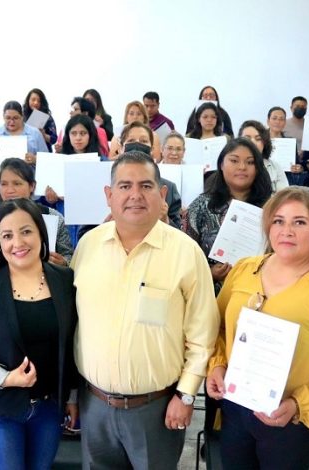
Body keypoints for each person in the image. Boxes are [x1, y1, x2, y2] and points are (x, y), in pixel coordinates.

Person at [72, 151, 219, 469]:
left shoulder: (186, 253)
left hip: (158, 408)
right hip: (94, 405)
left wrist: (186, 395)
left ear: (162, 194)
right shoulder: (87, 246)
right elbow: (74, 324)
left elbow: (203, 334)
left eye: (146, 186)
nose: (135, 195)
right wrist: (72, 395)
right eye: (124, 186)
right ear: (109, 195)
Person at [207, 187, 309, 470]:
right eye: (278, 221)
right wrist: (217, 364)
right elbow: (217, 327)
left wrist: (298, 404)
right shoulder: (244, 269)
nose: (286, 231)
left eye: (299, 222)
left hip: (290, 419)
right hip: (236, 406)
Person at [0, 198, 78, 470]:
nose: (17, 242)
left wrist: (72, 397)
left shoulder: (64, 280)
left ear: (41, 233)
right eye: (7, 235)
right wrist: (4, 378)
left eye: (26, 231)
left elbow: (71, 345)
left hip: (49, 407)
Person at [183, 137, 272, 293]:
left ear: (258, 168)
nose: (242, 167)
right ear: (221, 165)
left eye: (250, 162)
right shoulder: (201, 206)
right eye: (234, 161)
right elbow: (184, 254)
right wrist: (209, 273)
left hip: (257, 293)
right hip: (209, 295)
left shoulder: (271, 208)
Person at [0, 157, 73, 265]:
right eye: (4, 184)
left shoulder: (53, 217)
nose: (10, 190)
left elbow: (68, 256)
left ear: (32, 186)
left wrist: (63, 262)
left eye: (17, 183)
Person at [113, 122, 183, 228]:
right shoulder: (104, 185)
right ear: (121, 148)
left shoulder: (169, 189)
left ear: (152, 149)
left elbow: (179, 233)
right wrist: (105, 226)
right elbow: (87, 232)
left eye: (143, 141)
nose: (137, 145)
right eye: (131, 141)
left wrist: (165, 220)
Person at [238, 119, 290, 191]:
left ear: (264, 143)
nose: (253, 142)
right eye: (247, 138)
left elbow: (284, 195)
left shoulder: (275, 167)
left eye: (258, 139)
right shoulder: (232, 166)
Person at [0, 100, 47, 165]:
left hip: (29, 170)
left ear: (22, 117)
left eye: (15, 118)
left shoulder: (35, 133)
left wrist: (35, 159)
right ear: (3, 117)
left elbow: (46, 158)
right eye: (8, 118)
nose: (12, 121)